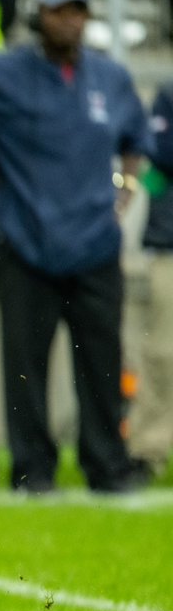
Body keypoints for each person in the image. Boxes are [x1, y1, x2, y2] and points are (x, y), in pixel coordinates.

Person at [0, 0, 153, 494]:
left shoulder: (110, 77)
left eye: (79, 11)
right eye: (61, 10)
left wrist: (126, 188)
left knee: (102, 362)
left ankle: (108, 467)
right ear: (39, 15)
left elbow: (137, 138)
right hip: (24, 238)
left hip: (95, 241)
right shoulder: (3, 74)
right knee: (25, 365)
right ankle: (32, 469)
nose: (71, 20)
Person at [128, 81, 173, 478]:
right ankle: (148, 448)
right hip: (170, 243)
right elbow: (160, 152)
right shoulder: (169, 92)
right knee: (163, 352)